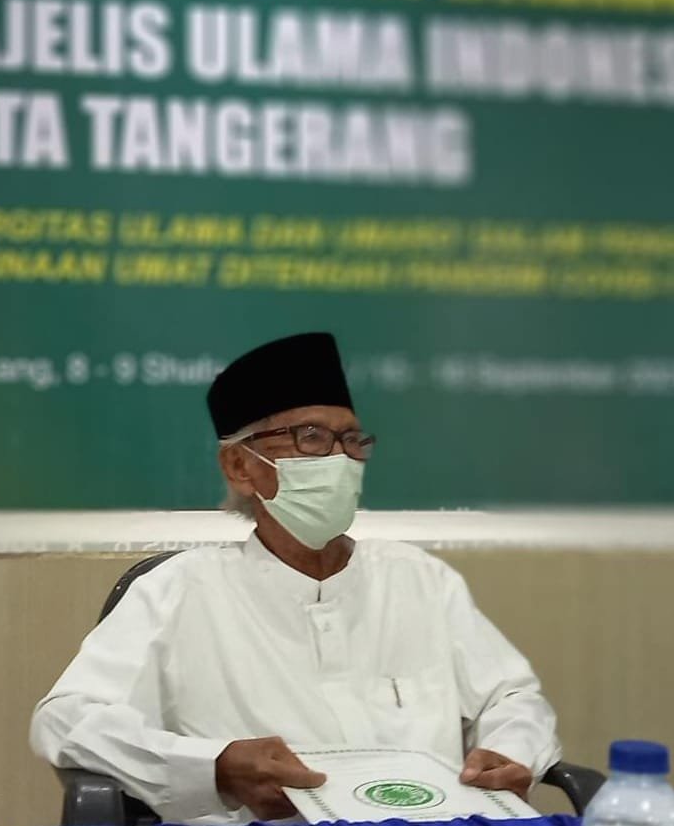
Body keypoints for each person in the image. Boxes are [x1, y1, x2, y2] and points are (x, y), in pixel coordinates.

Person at [30, 332, 561, 824]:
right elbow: (67, 719)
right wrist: (214, 766)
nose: (340, 458)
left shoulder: (420, 580)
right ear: (240, 467)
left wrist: (510, 753)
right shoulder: (178, 592)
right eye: (311, 437)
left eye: (351, 440)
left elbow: (512, 696)